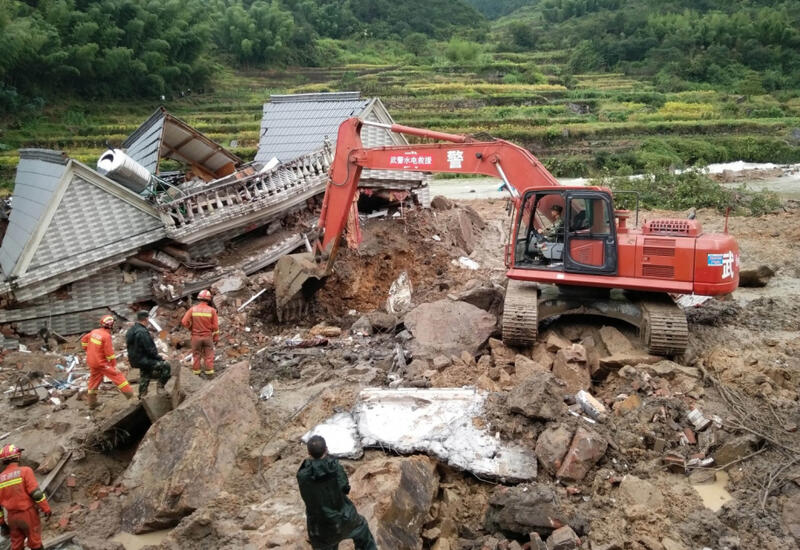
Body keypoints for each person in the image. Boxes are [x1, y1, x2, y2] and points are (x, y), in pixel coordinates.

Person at [297, 436, 376, 550]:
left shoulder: (302, 475)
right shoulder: (335, 468)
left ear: (309, 453)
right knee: (361, 528)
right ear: (326, 449)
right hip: (344, 518)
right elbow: (346, 489)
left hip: (320, 527)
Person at [0, 444, 51, 550]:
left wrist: (2, 522)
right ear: (17, 456)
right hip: (27, 514)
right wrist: (46, 508)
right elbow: (36, 494)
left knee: (17, 545)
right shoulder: (25, 471)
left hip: (12, 517)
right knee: (35, 543)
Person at [80, 315, 134, 409]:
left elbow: (84, 339)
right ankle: (131, 397)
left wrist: (87, 349)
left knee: (94, 381)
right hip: (100, 363)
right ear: (111, 325)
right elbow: (110, 354)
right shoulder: (106, 336)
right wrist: (113, 366)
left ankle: (92, 403)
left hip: (91, 361)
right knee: (117, 376)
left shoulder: (95, 331)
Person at [126, 310, 171, 398]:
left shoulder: (131, 330)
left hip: (136, 359)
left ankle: (142, 395)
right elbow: (150, 349)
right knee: (166, 366)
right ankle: (160, 388)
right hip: (144, 359)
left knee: (145, 373)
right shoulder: (142, 332)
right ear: (146, 319)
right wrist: (160, 357)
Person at [181, 289, 219, 377]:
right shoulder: (212, 311)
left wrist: (191, 327)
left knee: (196, 355)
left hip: (195, 337)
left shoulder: (193, 309)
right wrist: (216, 337)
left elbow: (184, 322)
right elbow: (215, 327)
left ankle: (196, 375)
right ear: (209, 299)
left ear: (199, 298)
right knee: (209, 355)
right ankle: (209, 375)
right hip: (207, 337)